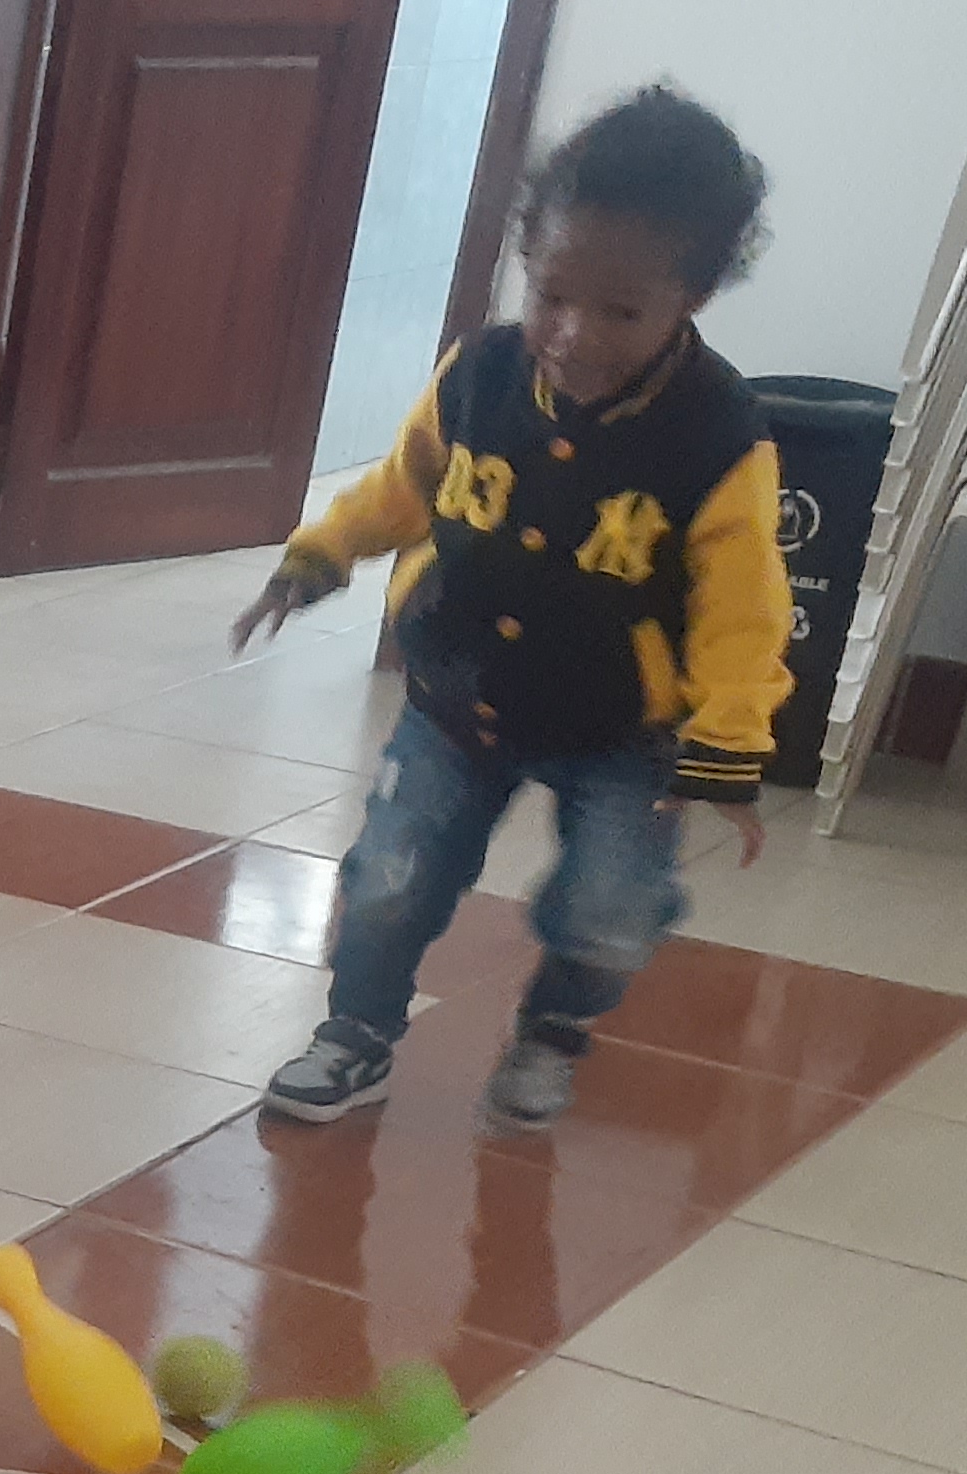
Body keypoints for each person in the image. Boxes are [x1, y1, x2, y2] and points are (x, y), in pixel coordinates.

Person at [246, 84, 793, 1132]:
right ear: (527, 262)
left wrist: (729, 741)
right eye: (551, 295)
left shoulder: (720, 436)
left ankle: (555, 1029)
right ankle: (356, 1030)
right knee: (391, 879)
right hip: (458, 696)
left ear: (693, 297)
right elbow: (404, 485)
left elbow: (745, 607)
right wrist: (322, 554)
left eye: (619, 312)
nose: (573, 335)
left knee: (608, 911)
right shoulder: (478, 376)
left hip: (624, 732)